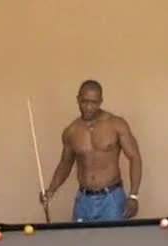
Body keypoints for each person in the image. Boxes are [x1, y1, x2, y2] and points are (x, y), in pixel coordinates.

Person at [40, 80, 142, 222]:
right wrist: (51, 191)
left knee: (114, 237)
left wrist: (133, 196)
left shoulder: (116, 124)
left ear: (100, 101)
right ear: (78, 99)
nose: (88, 107)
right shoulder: (71, 131)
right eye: (84, 102)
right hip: (84, 200)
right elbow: (65, 164)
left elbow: (135, 157)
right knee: (81, 237)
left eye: (93, 103)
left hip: (112, 199)